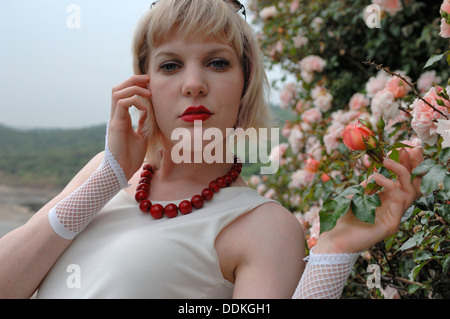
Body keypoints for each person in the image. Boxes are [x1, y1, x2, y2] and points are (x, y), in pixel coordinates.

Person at [0, 0, 423, 299]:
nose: (193, 83)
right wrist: (107, 177)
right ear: (143, 84)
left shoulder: (263, 226)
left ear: (245, 82)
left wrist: (333, 253)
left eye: (218, 62)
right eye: (169, 65)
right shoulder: (103, 175)